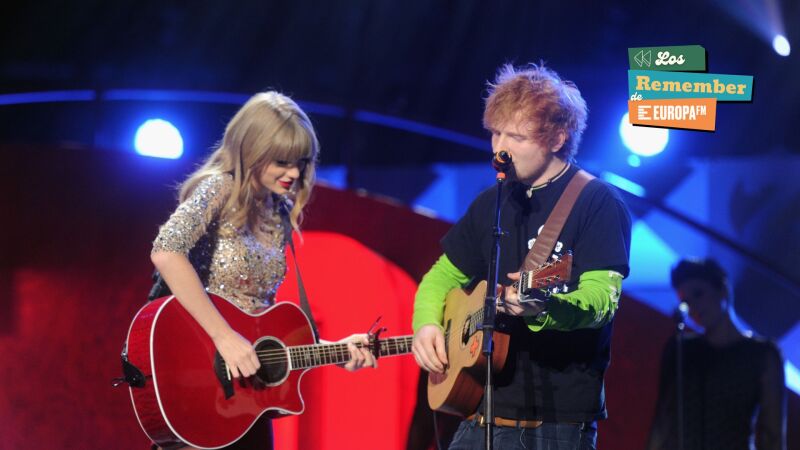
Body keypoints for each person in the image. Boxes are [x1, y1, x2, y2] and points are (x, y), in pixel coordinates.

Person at [411, 63, 632, 449]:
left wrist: (545, 308)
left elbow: (602, 300)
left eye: (516, 136)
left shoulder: (598, 203)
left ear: (557, 138)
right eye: (495, 132)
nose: (500, 147)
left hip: (554, 421)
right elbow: (441, 277)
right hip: (480, 410)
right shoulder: (491, 202)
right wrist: (426, 324)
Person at [150, 91, 376, 450]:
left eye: (301, 162)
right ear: (251, 150)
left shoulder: (278, 209)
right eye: (282, 162)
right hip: (201, 380)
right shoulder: (220, 187)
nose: (294, 173)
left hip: (249, 394)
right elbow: (166, 252)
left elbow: (259, 324)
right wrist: (224, 338)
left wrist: (334, 350)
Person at [646, 258, 786, 450]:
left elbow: (773, 436)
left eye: (698, 294)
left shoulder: (762, 355)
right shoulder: (680, 349)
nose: (694, 306)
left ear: (723, 290)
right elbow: (662, 421)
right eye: (686, 302)